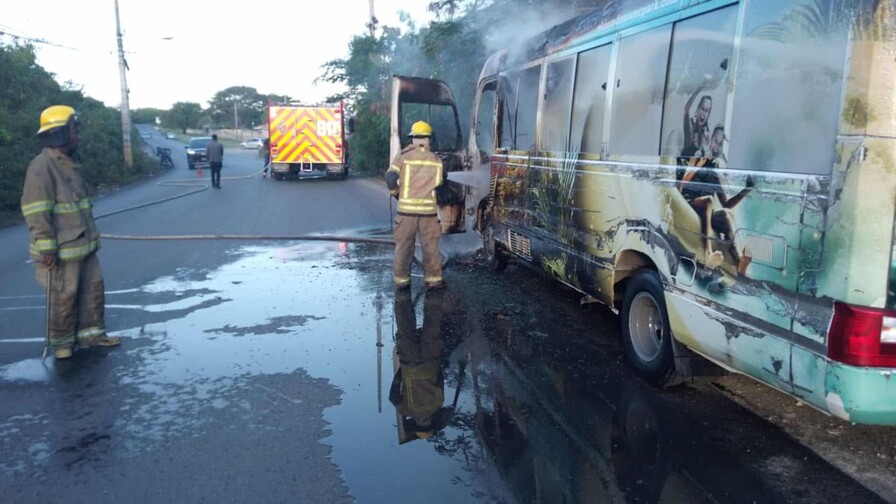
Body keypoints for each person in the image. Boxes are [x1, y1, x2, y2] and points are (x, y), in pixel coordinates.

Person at [21, 105, 121, 360]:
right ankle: (62, 345)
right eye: (75, 130)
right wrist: (46, 247)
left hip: (83, 244)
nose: (79, 136)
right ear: (60, 134)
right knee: (63, 297)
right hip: (60, 250)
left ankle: (92, 336)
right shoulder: (42, 166)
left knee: (92, 291)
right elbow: (36, 210)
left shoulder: (68, 164)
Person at [385, 121, 446, 290]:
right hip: (429, 214)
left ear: (413, 138)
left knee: (403, 248)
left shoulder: (403, 156)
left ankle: (402, 281)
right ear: (429, 139)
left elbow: (390, 177)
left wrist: (396, 193)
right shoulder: (436, 160)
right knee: (431, 247)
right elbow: (440, 182)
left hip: (406, 214)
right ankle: (434, 280)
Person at [389, 288, 452, 443]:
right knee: (405, 325)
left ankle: (435, 290)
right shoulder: (405, 410)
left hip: (430, 360)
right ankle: (402, 291)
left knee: (432, 324)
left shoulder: (438, 404)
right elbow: (393, 395)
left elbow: (439, 378)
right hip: (409, 363)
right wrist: (400, 373)